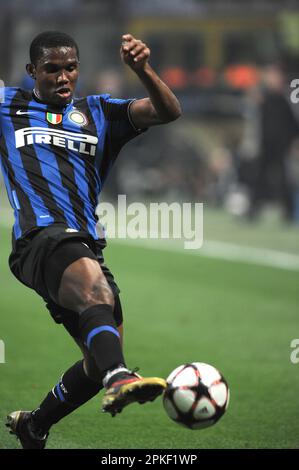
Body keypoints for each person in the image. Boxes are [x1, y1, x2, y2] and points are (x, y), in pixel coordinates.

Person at [0, 31, 181, 449]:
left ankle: (35, 424)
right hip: (38, 237)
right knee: (98, 303)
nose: (63, 77)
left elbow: (168, 111)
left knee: (99, 353)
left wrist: (143, 70)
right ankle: (120, 378)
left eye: (70, 68)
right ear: (32, 72)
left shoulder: (99, 112)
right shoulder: (8, 104)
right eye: (51, 69)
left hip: (84, 242)